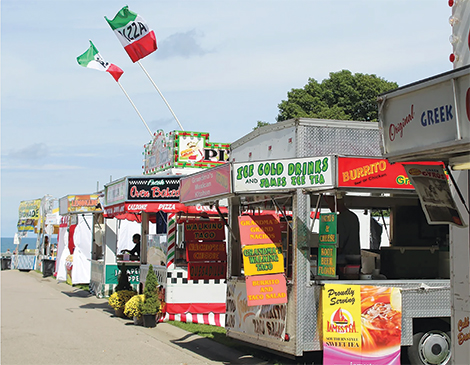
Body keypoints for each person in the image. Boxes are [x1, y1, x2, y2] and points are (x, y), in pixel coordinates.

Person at [324, 195, 361, 273]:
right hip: (355, 260)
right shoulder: (353, 216)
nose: (329, 207)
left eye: (329, 204)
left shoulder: (340, 219)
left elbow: (338, 245)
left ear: (335, 202)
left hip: (343, 262)